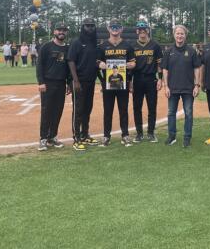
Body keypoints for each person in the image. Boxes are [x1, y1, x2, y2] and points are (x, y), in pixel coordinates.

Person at [97, 18, 136, 147]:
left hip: (122, 83)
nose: (115, 29)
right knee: (108, 110)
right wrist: (100, 65)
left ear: (121, 29)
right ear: (108, 29)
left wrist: (124, 65)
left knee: (123, 110)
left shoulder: (127, 45)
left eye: (117, 27)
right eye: (112, 27)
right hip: (108, 84)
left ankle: (125, 135)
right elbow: (97, 62)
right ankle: (106, 136)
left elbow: (133, 63)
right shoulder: (102, 46)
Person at [162, 25, 202, 147]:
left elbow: (197, 68)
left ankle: (187, 137)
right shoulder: (169, 51)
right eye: (177, 33)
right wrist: (166, 86)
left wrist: (197, 85)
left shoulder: (191, 51)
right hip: (172, 88)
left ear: (185, 35)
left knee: (188, 113)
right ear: (174, 35)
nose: (180, 36)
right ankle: (172, 136)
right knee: (171, 113)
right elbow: (165, 69)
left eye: (182, 34)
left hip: (188, 88)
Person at [36, 23, 71, 151]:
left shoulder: (67, 48)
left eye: (64, 30)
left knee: (57, 111)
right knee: (46, 111)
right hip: (48, 83)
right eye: (59, 30)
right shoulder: (46, 47)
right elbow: (39, 66)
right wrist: (41, 82)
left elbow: (68, 68)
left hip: (61, 84)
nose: (62, 32)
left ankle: (53, 136)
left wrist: (68, 83)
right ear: (54, 31)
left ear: (66, 33)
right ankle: (43, 139)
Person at [67, 18, 100, 151]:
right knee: (78, 110)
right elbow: (70, 61)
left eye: (92, 26)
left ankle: (85, 134)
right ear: (83, 27)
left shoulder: (93, 43)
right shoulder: (77, 42)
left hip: (90, 81)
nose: (90, 28)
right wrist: (75, 81)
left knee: (87, 109)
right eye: (87, 26)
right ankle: (76, 138)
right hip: (78, 82)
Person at [132, 20, 163, 143]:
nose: (142, 31)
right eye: (140, 29)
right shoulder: (132, 46)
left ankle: (150, 133)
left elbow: (159, 64)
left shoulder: (155, 45)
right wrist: (130, 82)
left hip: (151, 79)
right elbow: (130, 66)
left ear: (148, 30)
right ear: (137, 31)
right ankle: (139, 133)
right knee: (137, 107)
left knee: (152, 107)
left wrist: (160, 79)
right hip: (137, 79)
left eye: (144, 29)